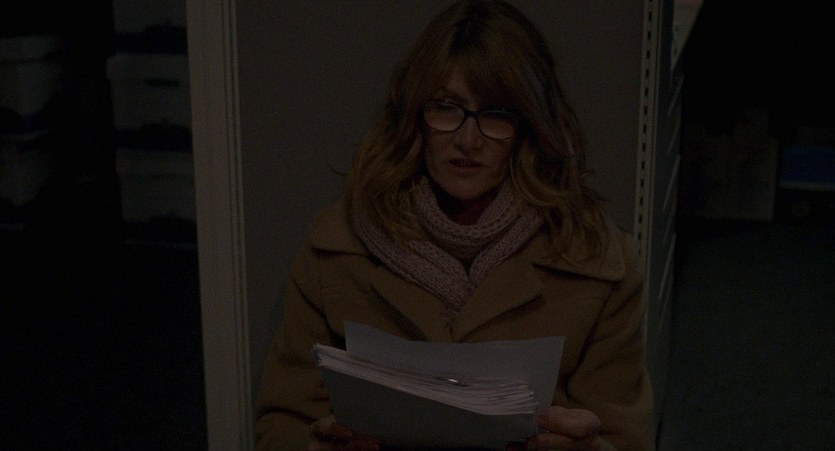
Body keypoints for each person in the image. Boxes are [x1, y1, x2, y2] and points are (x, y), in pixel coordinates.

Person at [254, 0, 655, 449]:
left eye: (496, 115)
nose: (468, 140)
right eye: (446, 108)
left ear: (528, 126)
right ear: (416, 116)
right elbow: (282, 424)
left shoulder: (595, 262)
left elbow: (626, 438)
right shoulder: (336, 251)